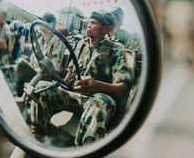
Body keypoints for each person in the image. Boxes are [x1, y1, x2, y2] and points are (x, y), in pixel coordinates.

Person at [26, 11, 132, 146]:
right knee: (41, 87)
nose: (88, 25)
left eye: (93, 23)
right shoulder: (81, 44)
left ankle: (83, 150)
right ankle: (41, 135)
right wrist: (60, 84)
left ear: (106, 28)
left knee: (102, 102)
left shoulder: (117, 51)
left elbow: (121, 88)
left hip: (95, 100)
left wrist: (97, 85)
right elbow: (71, 70)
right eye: (89, 21)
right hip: (75, 96)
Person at [15, 12, 66, 96]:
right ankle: (19, 95)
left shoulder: (57, 41)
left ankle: (20, 97)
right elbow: (32, 58)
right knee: (21, 62)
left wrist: (37, 70)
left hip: (45, 77)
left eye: (42, 21)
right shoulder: (40, 40)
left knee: (21, 64)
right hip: (36, 74)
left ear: (50, 24)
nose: (39, 23)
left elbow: (56, 67)